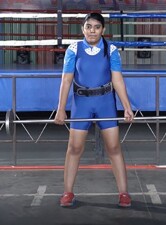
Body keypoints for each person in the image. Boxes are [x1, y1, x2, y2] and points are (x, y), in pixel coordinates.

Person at [55, 12, 134, 208]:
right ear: (83, 29)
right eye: (88, 26)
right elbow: (66, 80)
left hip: (105, 102)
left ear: (103, 30)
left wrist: (126, 107)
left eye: (96, 27)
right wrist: (60, 109)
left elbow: (117, 79)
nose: (92, 30)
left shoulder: (112, 50)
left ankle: (124, 193)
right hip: (81, 103)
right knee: (74, 148)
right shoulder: (73, 49)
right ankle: (68, 192)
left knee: (114, 148)